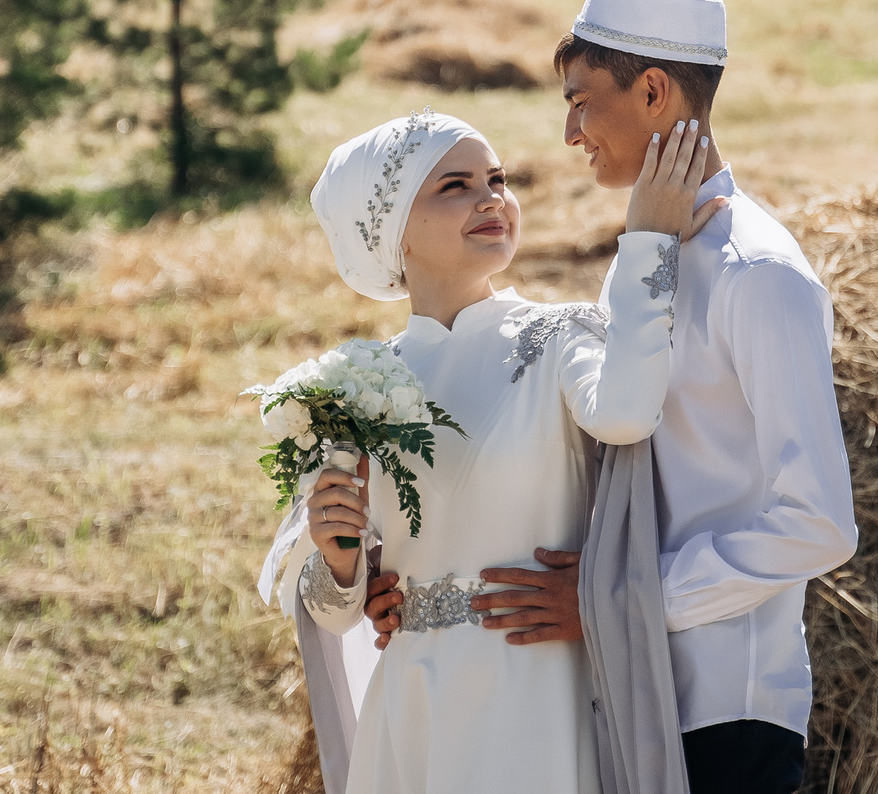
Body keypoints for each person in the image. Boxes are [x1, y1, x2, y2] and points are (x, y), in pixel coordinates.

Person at [368, 0, 858, 794]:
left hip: (720, 707)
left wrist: (620, 600)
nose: (569, 132)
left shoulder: (759, 273)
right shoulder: (644, 259)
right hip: (615, 692)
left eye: (582, 101)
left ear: (655, 91)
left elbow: (818, 522)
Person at [262, 107, 724, 794]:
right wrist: (339, 557)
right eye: (454, 185)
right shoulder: (356, 387)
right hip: (413, 708)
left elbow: (627, 414)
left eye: (497, 179)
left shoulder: (561, 334)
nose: (492, 199)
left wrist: (649, 238)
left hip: (536, 691)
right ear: (395, 230)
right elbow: (331, 613)